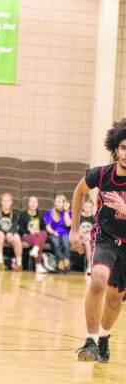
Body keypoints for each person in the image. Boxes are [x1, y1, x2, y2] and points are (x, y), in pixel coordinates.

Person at [72, 119, 126, 363]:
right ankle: (90, 340)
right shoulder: (102, 174)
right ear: (116, 148)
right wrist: (74, 230)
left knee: (115, 298)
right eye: (124, 147)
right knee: (98, 280)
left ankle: (104, 338)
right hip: (103, 237)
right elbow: (79, 191)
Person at [0, 193, 22, 271]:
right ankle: (0, 263)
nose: (6, 202)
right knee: (0, 234)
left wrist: (10, 233)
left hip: (9, 234)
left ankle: (19, 264)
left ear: (11, 202)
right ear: (1, 202)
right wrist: (5, 234)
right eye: (4, 201)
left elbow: (15, 226)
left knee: (17, 237)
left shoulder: (15, 213)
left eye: (8, 201)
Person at [18, 196, 48, 274]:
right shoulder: (23, 215)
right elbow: (20, 229)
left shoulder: (40, 215)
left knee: (44, 234)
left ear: (37, 204)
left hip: (37, 237)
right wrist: (29, 231)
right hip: (27, 236)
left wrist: (38, 231)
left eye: (35, 202)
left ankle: (35, 249)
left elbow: (43, 229)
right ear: (28, 204)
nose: (33, 204)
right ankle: (38, 265)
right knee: (39, 242)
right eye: (31, 202)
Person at [45, 194, 72, 272]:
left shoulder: (68, 212)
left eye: (59, 202)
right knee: (56, 243)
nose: (56, 203)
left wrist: (66, 211)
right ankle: (63, 261)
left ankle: (64, 262)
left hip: (65, 233)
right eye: (56, 202)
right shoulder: (50, 212)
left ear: (64, 203)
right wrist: (53, 232)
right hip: (53, 233)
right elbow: (48, 227)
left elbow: (68, 224)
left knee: (66, 243)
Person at [80, 200, 95, 275]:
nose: (88, 209)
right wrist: (81, 234)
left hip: (89, 239)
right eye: (86, 207)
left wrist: (89, 233)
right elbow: (75, 229)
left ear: (92, 208)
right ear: (83, 207)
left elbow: (95, 230)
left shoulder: (94, 218)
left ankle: (90, 265)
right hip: (80, 237)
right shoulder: (80, 217)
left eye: (90, 207)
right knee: (87, 240)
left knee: (88, 243)